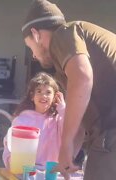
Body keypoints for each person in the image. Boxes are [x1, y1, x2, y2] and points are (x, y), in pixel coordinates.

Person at [22, 0, 116, 179]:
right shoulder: (67, 64)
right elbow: (80, 119)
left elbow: (82, 77)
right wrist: (68, 156)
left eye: (30, 47)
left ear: (36, 35)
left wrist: (65, 145)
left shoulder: (64, 34)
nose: (33, 55)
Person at [3, 72, 66, 170]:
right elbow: (9, 144)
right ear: (32, 96)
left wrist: (63, 110)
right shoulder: (21, 120)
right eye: (39, 91)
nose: (43, 96)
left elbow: (68, 134)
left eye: (48, 92)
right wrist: (10, 159)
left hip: (51, 172)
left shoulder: (58, 119)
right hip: (26, 171)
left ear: (55, 97)